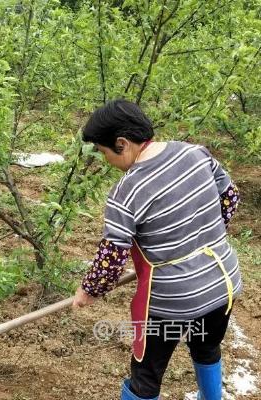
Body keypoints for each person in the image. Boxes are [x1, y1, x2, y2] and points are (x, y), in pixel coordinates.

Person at [72, 99, 241, 400]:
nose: (105, 159)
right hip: (222, 281)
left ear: (122, 143)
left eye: (103, 151)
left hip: (173, 301)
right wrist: (202, 239)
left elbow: (112, 257)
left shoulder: (128, 191)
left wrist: (88, 291)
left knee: (146, 376)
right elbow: (229, 197)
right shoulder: (194, 152)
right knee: (206, 346)